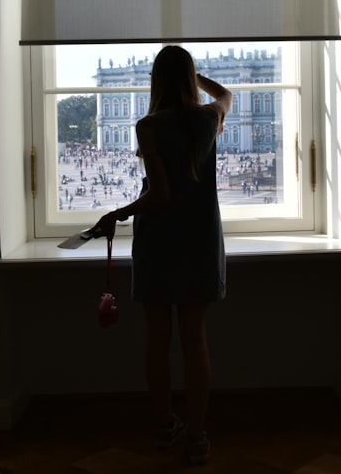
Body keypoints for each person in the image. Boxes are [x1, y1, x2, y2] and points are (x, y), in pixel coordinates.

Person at [91, 45, 232, 466]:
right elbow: (226, 94)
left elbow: (160, 194)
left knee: (158, 340)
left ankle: (166, 422)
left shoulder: (148, 126)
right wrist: (199, 79)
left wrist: (117, 213)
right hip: (200, 240)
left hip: (159, 242)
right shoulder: (209, 118)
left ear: (155, 80)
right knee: (196, 340)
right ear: (189, 79)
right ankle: (197, 434)